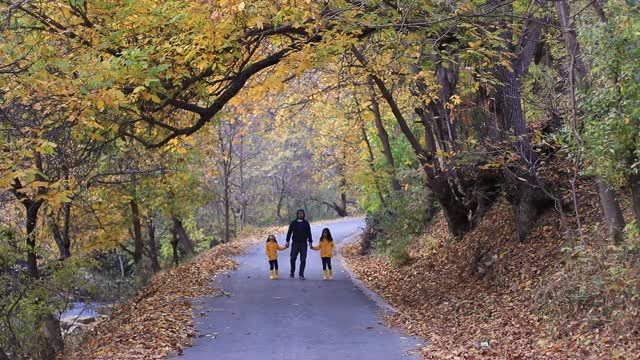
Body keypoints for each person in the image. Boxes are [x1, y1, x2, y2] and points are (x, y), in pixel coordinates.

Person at [286, 209, 313, 280]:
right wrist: (287, 241)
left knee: (303, 260)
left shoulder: (306, 223)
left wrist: (310, 242)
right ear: (297, 214)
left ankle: (301, 274)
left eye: (302, 213)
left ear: (304, 214)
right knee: (292, 258)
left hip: (303, 243)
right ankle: (292, 271)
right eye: (299, 213)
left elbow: (309, 233)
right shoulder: (293, 223)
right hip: (295, 243)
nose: (300, 215)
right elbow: (289, 232)